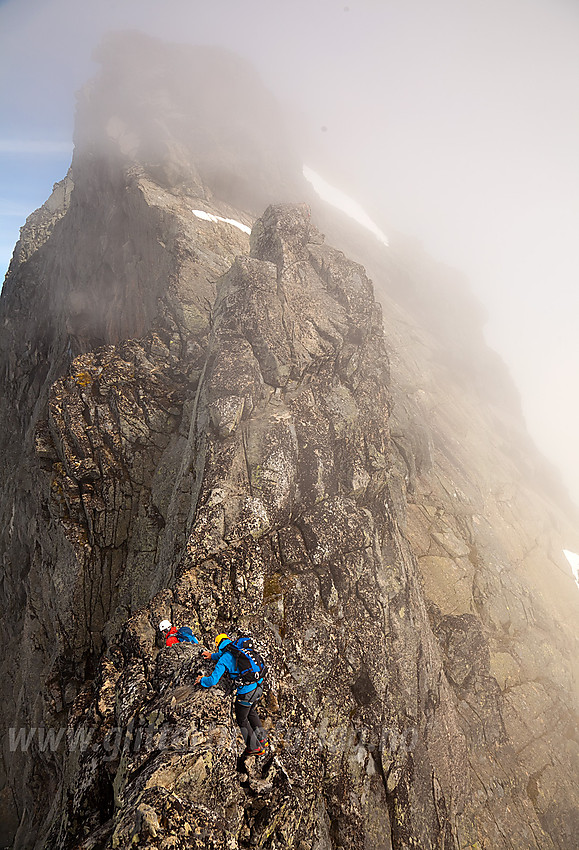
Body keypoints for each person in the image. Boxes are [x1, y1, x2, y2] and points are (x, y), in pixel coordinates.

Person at [195, 633, 268, 756]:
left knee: (242, 719)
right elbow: (224, 655)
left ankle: (254, 747)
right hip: (258, 686)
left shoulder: (225, 658)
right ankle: (262, 739)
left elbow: (213, 680)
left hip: (246, 693)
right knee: (251, 711)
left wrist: (202, 680)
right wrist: (212, 656)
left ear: (218, 645)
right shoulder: (238, 650)